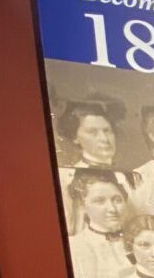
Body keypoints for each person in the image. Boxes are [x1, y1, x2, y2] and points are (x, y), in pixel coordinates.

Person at [56, 98, 135, 234]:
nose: (104, 139)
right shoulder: (65, 178)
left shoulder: (129, 178)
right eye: (93, 132)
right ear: (75, 137)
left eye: (107, 131)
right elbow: (69, 230)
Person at [66, 169, 131, 278]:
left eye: (117, 200)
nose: (112, 209)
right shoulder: (76, 246)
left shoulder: (137, 239)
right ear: (83, 206)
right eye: (100, 201)